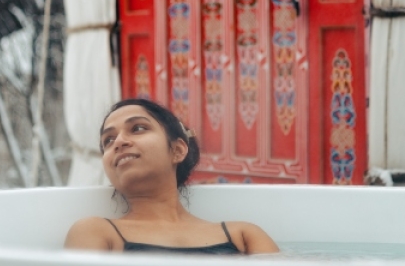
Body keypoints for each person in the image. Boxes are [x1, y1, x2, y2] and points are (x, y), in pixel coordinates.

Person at [64, 98, 279, 255]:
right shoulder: (95, 232)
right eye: (108, 141)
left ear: (177, 150)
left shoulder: (243, 235)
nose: (119, 141)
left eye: (137, 128)